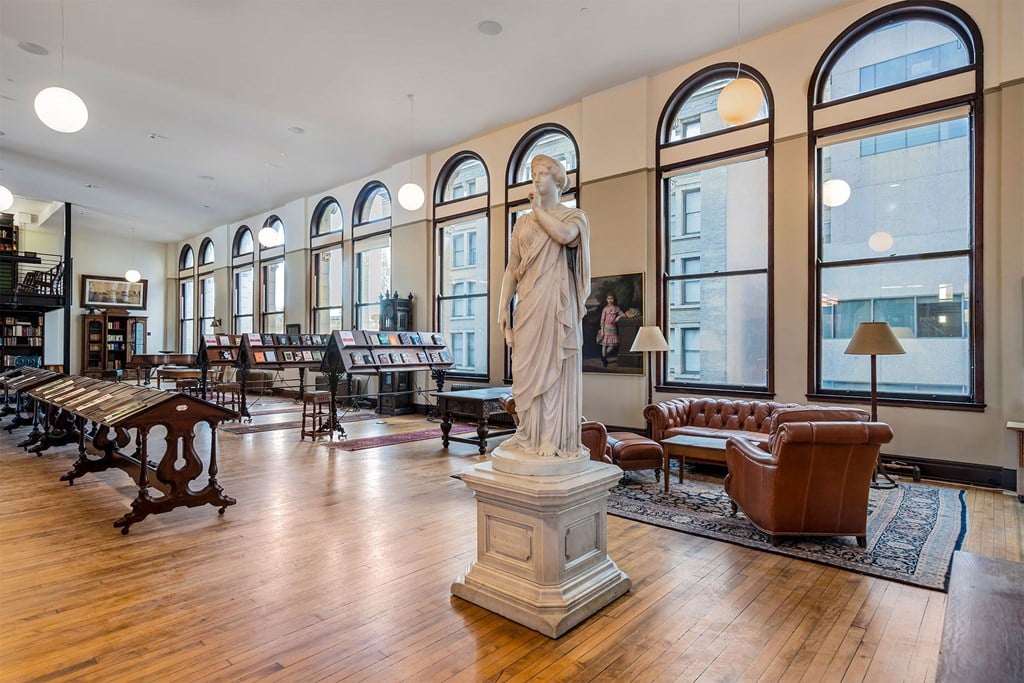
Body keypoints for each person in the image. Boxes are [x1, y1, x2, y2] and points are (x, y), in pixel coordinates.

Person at [497, 154, 591, 460]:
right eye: (533, 174)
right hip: (527, 303)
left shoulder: (573, 216)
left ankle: (552, 437)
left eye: (542, 174)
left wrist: (537, 209)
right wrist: (502, 307)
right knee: (525, 372)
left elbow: (564, 237)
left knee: (553, 368)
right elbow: (512, 268)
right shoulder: (522, 223)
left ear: (557, 180)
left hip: (555, 300)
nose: (536, 179)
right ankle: (526, 433)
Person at [597, 292, 625, 366]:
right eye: (608, 298)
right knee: (604, 344)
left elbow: (623, 314)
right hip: (606, 328)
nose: (610, 300)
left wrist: (618, 317)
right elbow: (602, 321)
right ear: (606, 300)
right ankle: (604, 359)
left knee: (612, 345)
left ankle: (603, 356)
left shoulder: (616, 308)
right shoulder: (605, 309)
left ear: (614, 299)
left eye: (611, 298)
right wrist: (602, 330)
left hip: (613, 328)